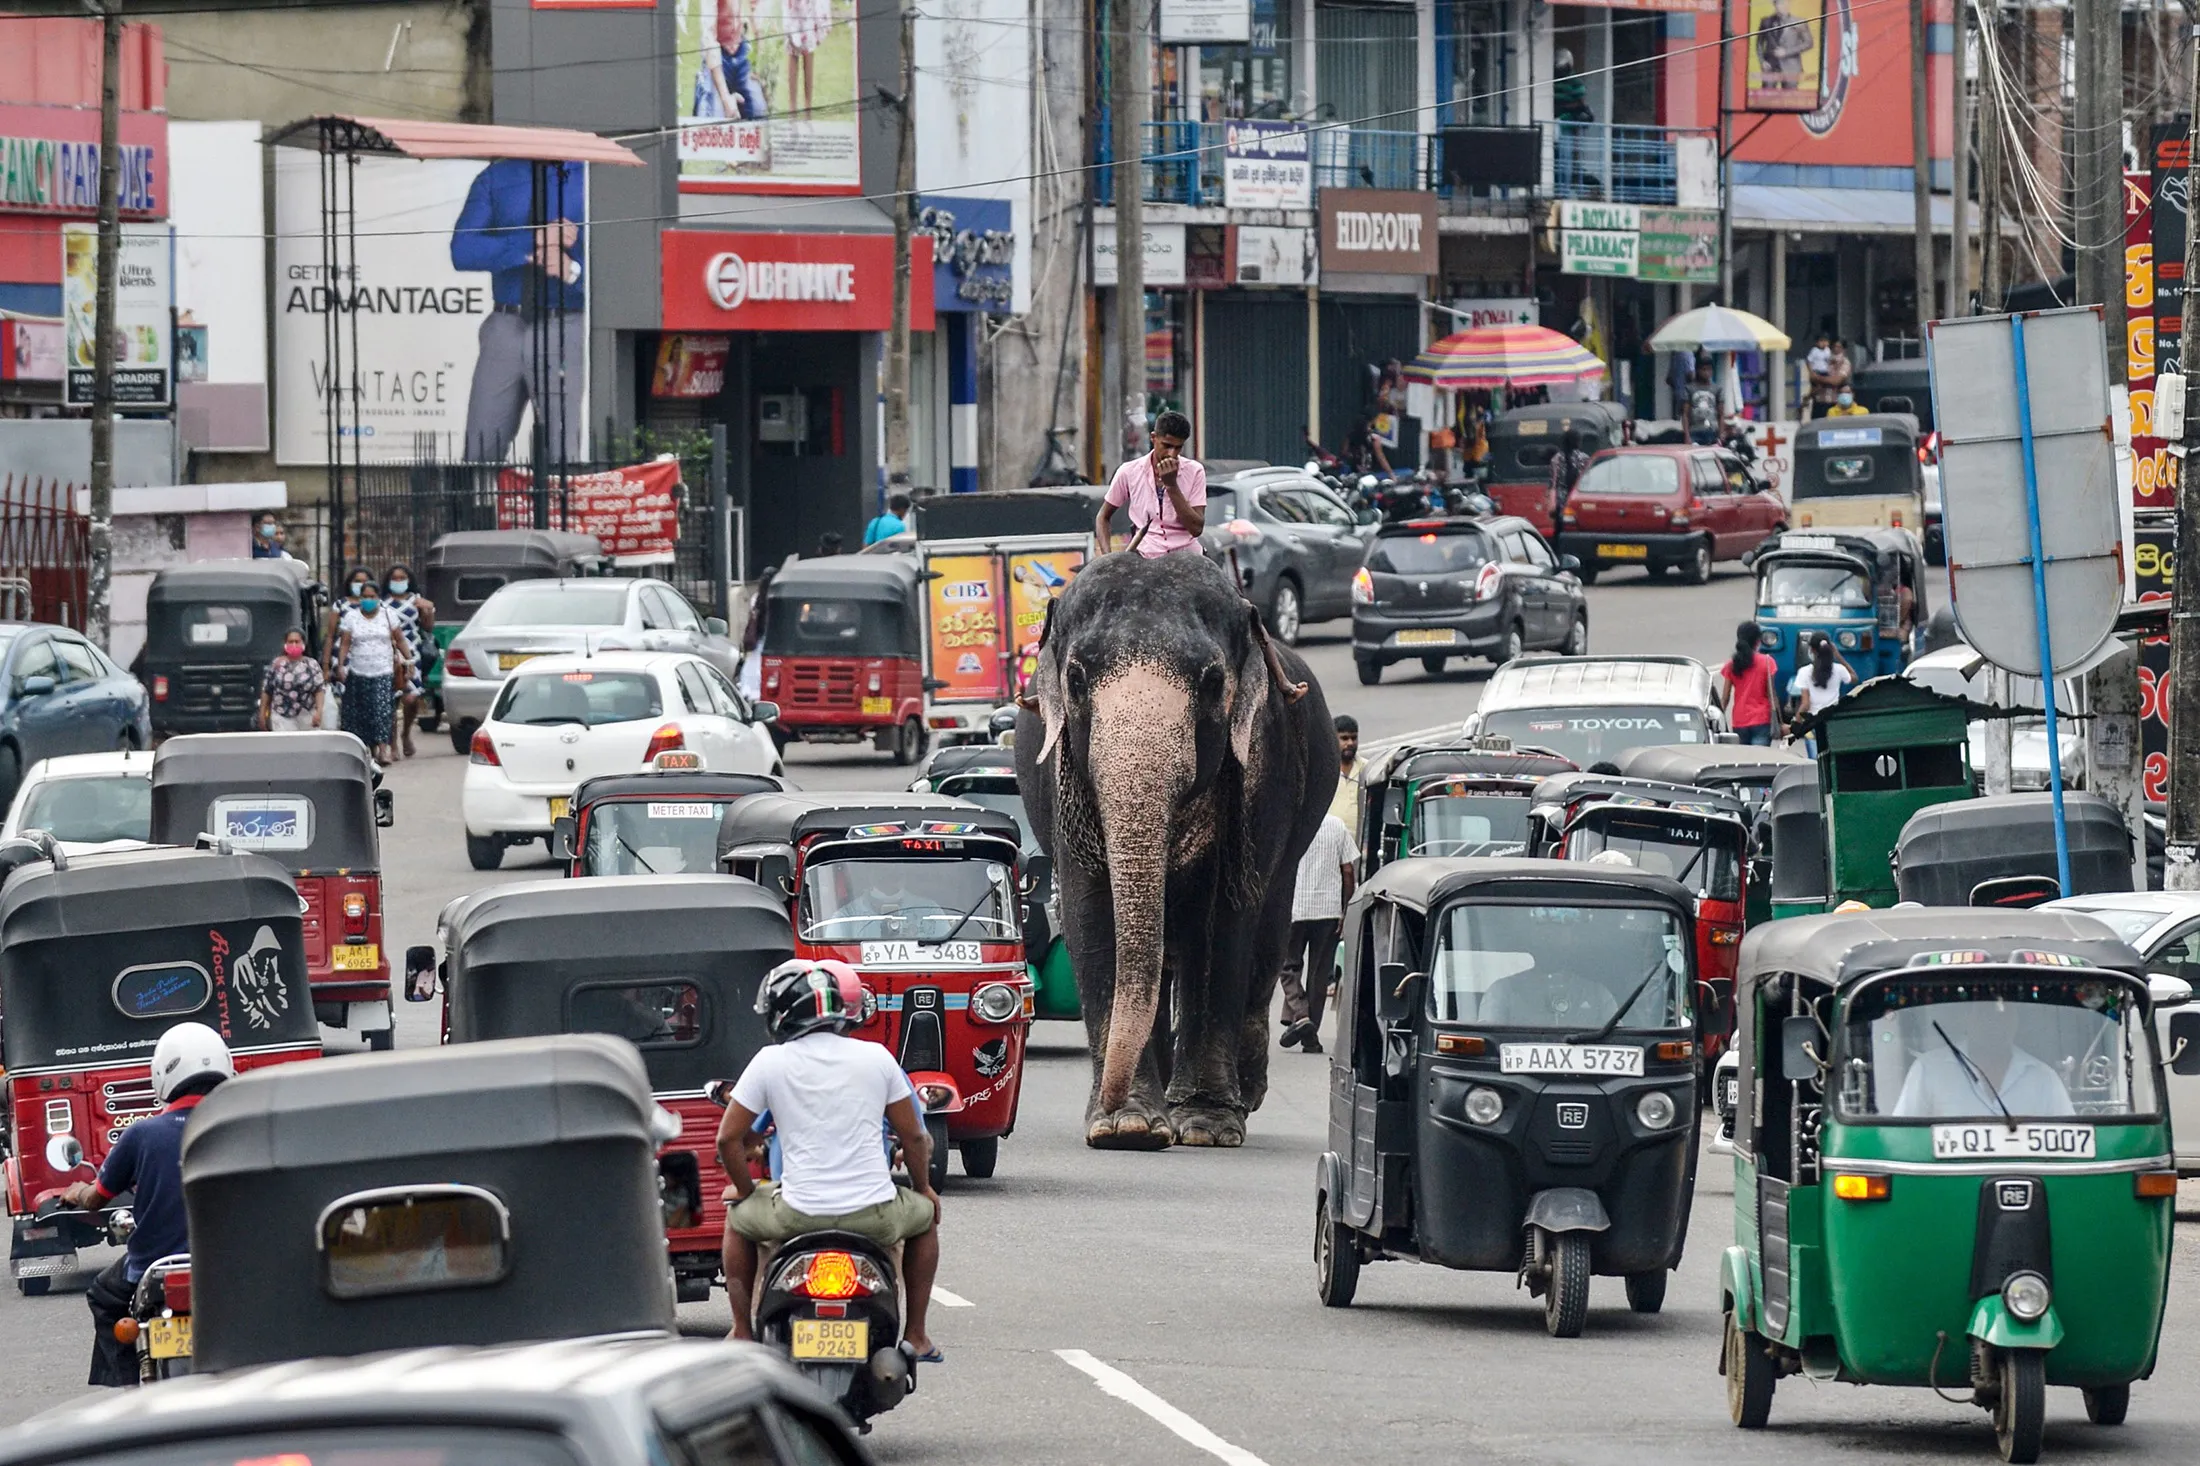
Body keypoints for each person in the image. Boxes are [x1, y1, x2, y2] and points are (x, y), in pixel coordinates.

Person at [715, 960, 941, 1360]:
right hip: (876, 1215)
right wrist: (923, 1189)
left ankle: (741, 1332)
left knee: (737, 1219)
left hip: (795, 1214)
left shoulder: (770, 1061)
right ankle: (917, 1335)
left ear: (780, 1014)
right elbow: (915, 1137)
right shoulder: (877, 1057)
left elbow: (729, 1138)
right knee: (925, 1218)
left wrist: (747, 1191)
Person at [62, 1023, 234, 1387]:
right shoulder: (242, 1125)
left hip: (154, 1266)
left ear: (163, 1074)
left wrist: (76, 1191)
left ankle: (127, 1389)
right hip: (232, 1260)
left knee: (104, 1296)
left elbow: (96, 1198)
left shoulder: (142, 1134)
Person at [1093, 409, 1306, 700]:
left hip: (1188, 560)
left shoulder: (1193, 472)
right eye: (1166, 445)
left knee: (1243, 611)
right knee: (1088, 613)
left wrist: (1172, 486)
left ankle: (1282, 683)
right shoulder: (1128, 472)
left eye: (1178, 447)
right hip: (1142, 560)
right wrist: (1109, 558)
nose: (1172, 452)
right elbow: (1103, 517)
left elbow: (1195, 527)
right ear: (1152, 439)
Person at [451, 159, 586, 462]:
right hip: (506, 322)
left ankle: (562, 508)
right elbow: (463, 250)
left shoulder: (589, 175)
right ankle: (479, 507)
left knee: (564, 449)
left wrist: (573, 271)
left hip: (566, 321)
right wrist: (534, 240)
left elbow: (623, 260)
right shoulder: (497, 177)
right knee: (481, 444)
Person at [1891, 997, 2073, 1117]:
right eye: (1986, 1014)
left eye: (2003, 1015)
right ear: (1968, 1019)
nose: (1995, 1024)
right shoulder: (1928, 1070)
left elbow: (2070, 1140)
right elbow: (1901, 1139)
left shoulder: (2043, 1078)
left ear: (2015, 1020)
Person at [1279, 811, 1356, 1054]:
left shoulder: (1291, 822)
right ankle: (1310, 1038)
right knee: (1319, 975)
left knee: (1287, 966)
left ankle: (1300, 1015)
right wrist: (1346, 909)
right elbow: (1348, 871)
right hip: (1329, 910)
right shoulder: (1337, 825)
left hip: (1295, 908)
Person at [338, 585, 410, 766]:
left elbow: (399, 639)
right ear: (360, 597)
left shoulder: (388, 615)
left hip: (383, 671)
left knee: (382, 711)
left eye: (372, 596)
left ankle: (383, 751)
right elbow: (345, 643)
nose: (368, 600)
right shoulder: (351, 617)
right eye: (365, 596)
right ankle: (369, 750)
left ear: (378, 597)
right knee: (361, 713)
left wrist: (409, 660)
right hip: (358, 671)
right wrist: (340, 665)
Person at [384, 564, 435, 758]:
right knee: (392, 699)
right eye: (394, 578)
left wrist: (429, 610)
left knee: (411, 697)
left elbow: (428, 627)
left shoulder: (416, 600)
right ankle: (393, 743)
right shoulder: (383, 602)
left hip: (412, 651)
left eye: (402, 578)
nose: (398, 582)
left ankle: (406, 733)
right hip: (389, 652)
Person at [1717, 622, 1780, 746]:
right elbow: (1771, 694)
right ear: (1758, 641)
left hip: (1739, 721)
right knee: (1760, 761)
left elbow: (1725, 698)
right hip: (1762, 720)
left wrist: (1717, 718)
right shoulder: (1767, 662)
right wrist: (1779, 720)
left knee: (1743, 761)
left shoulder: (1732, 665)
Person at [1786, 632, 1855, 741]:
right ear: (1831, 647)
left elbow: (1805, 704)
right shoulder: (1839, 669)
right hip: (1833, 721)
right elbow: (1854, 678)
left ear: (1811, 650)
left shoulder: (1804, 672)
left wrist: (1796, 722)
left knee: (1814, 755)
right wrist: (1839, 656)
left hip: (1813, 723)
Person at [258, 627, 326, 733]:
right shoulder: (276, 665)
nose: (294, 644)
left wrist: (319, 711)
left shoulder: (312, 664)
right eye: (290, 641)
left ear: (303, 643)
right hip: (282, 715)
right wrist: (262, 713)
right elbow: (267, 690)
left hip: (307, 714)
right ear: (285, 644)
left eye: (297, 641)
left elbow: (319, 689)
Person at [1549, 428, 1593, 523]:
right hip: (1579, 499)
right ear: (1578, 442)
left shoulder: (1556, 459)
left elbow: (1553, 484)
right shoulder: (1584, 459)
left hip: (1561, 502)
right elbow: (1588, 482)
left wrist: (1552, 503)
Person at [1330, 714, 1362, 838]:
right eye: (1344, 738)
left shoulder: (1367, 769)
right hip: (1330, 842)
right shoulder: (1323, 771)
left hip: (1358, 844)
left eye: (1354, 738)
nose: (1350, 743)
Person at [1685, 365, 1721, 446]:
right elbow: (1685, 414)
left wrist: (1720, 436)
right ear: (1698, 371)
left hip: (1712, 432)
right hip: (1694, 432)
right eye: (1703, 370)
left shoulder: (1717, 388)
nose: (1706, 373)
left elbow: (1721, 414)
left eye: (1709, 370)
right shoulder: (1689, 389)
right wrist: (1687, 436)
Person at [1805, 332, 1836, 419]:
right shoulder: (1814, 351)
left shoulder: (1828, 350)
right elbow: (1808, 361)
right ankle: (1809, 398)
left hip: (1825, 372)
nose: (1824, 343)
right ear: (1817, 342)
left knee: (1826, 388)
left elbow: (1830, 361)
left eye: (1825, 341)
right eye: (1821, 341)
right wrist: (1811, 372)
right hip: (1816, 371)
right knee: (1816, 388)